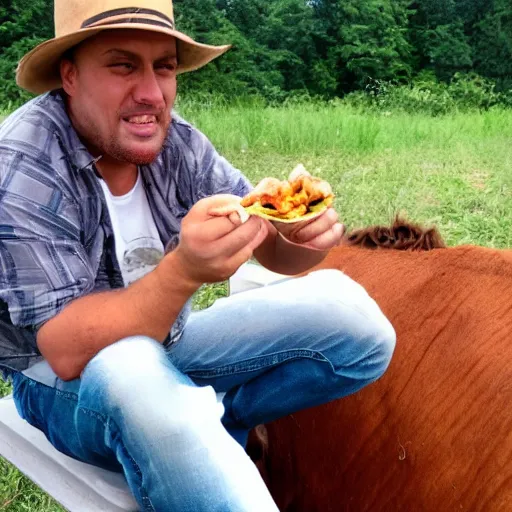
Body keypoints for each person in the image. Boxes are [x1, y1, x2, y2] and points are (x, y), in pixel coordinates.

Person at [0, 1, 396, 510]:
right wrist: (184, 271)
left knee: (357, 323)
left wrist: (298, 237)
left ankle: (213, 421)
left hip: (171, 341)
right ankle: (189, 436)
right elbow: (66, 349)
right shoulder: (22, 164)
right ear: (70, 76)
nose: (150, 93)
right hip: (58, 383)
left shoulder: (177, 142)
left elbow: (270, 246)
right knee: (132, 368)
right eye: (123, 65)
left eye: (163, 67)